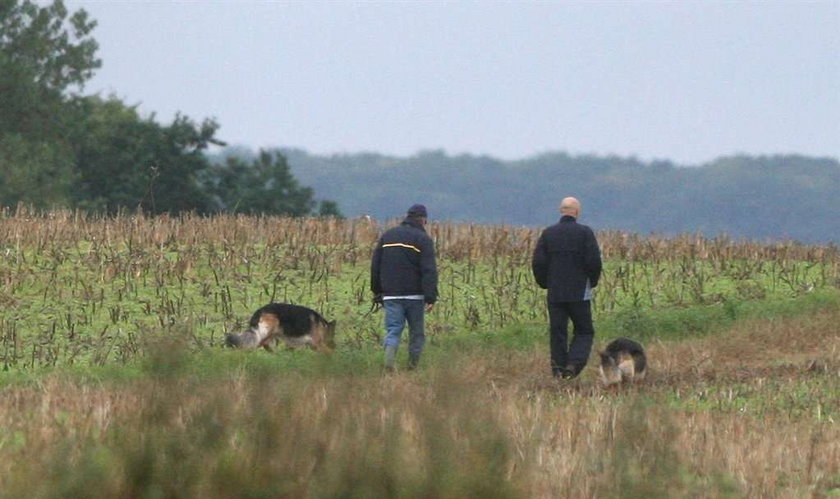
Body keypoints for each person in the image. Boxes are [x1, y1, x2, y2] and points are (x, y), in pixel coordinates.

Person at [532, 197, 602, 379]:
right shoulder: (585, 233)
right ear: (577, 212)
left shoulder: (548, 234)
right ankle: (573, 365)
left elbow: (538, 262)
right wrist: (592, 281)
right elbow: (594, 261)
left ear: (561, 211)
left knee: (558, 332)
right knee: (584, 330)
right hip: (580, 292)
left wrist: (544, 283)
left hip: (555, 292)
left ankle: (557, 370)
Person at [371, 204, 438, 371]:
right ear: (423, 220)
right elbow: (429, 270)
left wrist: (377, 291)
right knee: (416, 333)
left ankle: (389, 363)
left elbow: (375, 266)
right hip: (415, 296)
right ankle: (412, 368)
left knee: (393, 330)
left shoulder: (388, 236)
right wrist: (430, 297)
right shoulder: (423, 239)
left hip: (391, 295)